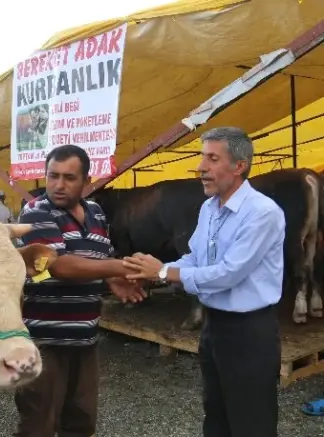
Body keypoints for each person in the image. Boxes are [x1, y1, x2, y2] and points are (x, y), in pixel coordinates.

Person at [123, 127, 284, 437]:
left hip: (249, 331)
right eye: (202, 157)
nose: (201, 167)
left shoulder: (262, 213)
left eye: (212, 159)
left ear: (240, 166)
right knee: (216, 415)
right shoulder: (209, 208)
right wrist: (147, 270)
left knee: (252, 423)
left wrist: (162, 272)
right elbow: (195, 259)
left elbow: (228, 273)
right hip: (215, 327)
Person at [14, 144, 147, 437]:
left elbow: (100, 254)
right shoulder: (35, 213)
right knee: (39, 425)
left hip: (85, 338)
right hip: (43, 342)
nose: (58, 185)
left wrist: (112, 279)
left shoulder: (96, 213)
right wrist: (118, 268)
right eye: (53, 176)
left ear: (87, 181)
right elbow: (58, 265)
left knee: (81, 422)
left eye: (69, 178)